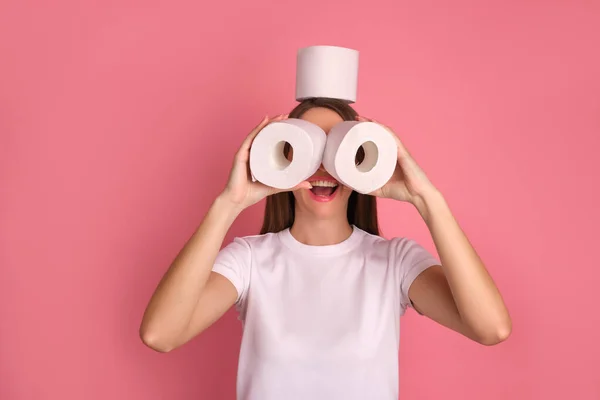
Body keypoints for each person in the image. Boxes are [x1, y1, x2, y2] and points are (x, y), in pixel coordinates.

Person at [139, 98, 512, 399]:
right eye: (308, 148)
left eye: (337, 149)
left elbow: (491, 328)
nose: (324, 167)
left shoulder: (394, 263)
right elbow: (160, 335)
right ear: (284, 158)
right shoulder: (250, 260)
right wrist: (228, 204)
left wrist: (426, 198)